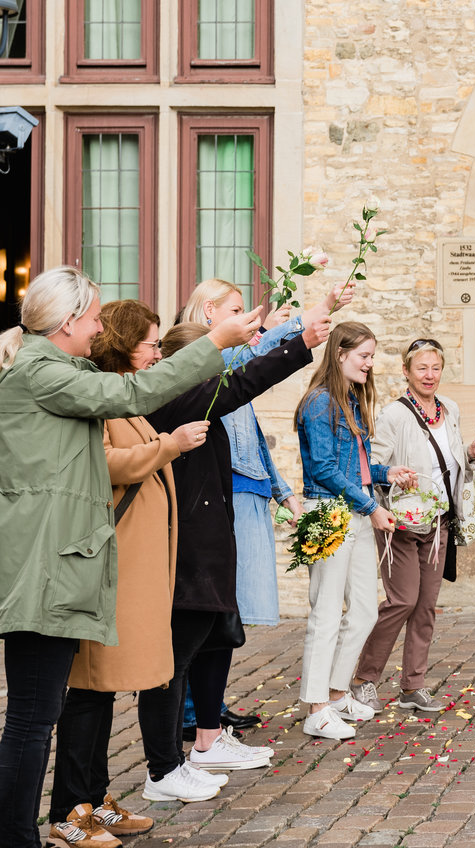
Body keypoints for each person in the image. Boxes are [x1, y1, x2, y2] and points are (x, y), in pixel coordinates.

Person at [0, 266, 260, 848]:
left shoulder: (60, 370)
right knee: (32, 720)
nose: (100, 327)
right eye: (93, 317)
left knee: (45, 713)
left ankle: (66, 812)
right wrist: (215, 342)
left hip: (68, 564)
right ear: (67, 321)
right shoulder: (43, 372)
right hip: (47, 569)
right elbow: (137, 392)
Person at [136, 309, 333, 801]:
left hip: (208, 551)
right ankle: (163, 769)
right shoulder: (174, 397)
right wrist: (300, 339)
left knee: (206, 645)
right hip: (185, 555)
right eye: (152, 347)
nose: (157, 355)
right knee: (170, 666)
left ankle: (197, 747)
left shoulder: (194, 401)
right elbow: (244, 382)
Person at [47, 301, 209, 845]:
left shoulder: (126, 396)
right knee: (90, 691)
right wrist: (171, 444)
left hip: (134, 568)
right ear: (123, 342)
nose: (158, 354)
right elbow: (105, 464)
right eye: (151, 344)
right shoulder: (102, 399)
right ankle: (70, 811)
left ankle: (95, 799)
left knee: (107, 690)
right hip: (108, 568)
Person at [176, 278, 354, 739]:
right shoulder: (203, 358)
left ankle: (208, 707)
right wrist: (304, 320)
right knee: (211, 608)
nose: (247, 320)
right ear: (209, 311)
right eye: (238, 310)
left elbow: (251, 434)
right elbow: (250, 360)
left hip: (250, 490)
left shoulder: (230, 360)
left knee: (228, 612)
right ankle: (194, 713)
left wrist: (281, 491)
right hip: (224, 492)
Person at [348, 338, 475, 714]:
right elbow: (373, 467)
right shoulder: (394, 415)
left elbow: (447, 462)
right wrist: (395, 479)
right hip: (401, 522)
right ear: (406, 371)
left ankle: (412, 685)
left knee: (426, 606)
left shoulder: (451, 409)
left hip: (439, 520)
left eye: (435, 368)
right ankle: (364, 679)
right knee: (402, 600)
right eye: (422, 368)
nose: (430, 375)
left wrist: (470, 453)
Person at [296, 322, 418, 740]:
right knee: (326, 612)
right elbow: (325, 470)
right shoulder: (319, 403)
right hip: (327, 512)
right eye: (364, 355)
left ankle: (334, 694)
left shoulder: (348, 399)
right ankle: (315, 709)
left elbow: (356, 466)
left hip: (356, 508)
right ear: (340, 354)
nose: (370, 363)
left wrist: (388, 473)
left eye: (371, 355)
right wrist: (371, 507)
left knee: (365, 609)